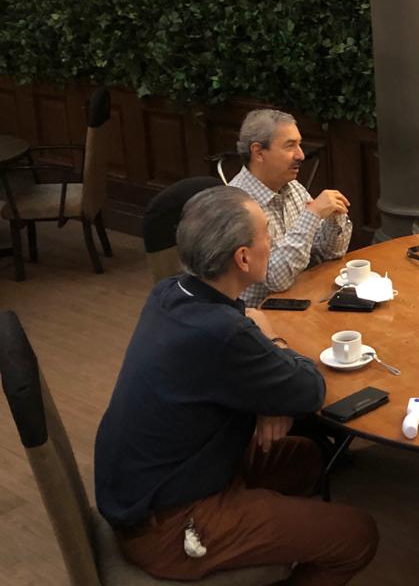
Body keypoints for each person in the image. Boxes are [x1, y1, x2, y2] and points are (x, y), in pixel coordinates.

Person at [94, 186, 378, 583]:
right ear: (243, 258)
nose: (272, 241)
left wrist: (268, 394)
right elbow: (309, 389)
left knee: (306, 459)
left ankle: (268, 532)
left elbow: (243, 345)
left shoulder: (170, 292)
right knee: (357, 535)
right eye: (266, 234)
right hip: (170, 522)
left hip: (149, 484)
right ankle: (254, 536)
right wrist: (273, 343)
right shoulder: (222, 333)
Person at [229, 109, 352, 307]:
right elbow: (276, 280)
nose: (301, 155)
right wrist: (313, 215)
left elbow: (330, 252)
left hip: (300, 300)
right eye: (290, 146)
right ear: (258, 152)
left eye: (299, 144)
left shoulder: (292, 187)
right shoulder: (237, 205)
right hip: (259, 314)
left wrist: (333, 217)